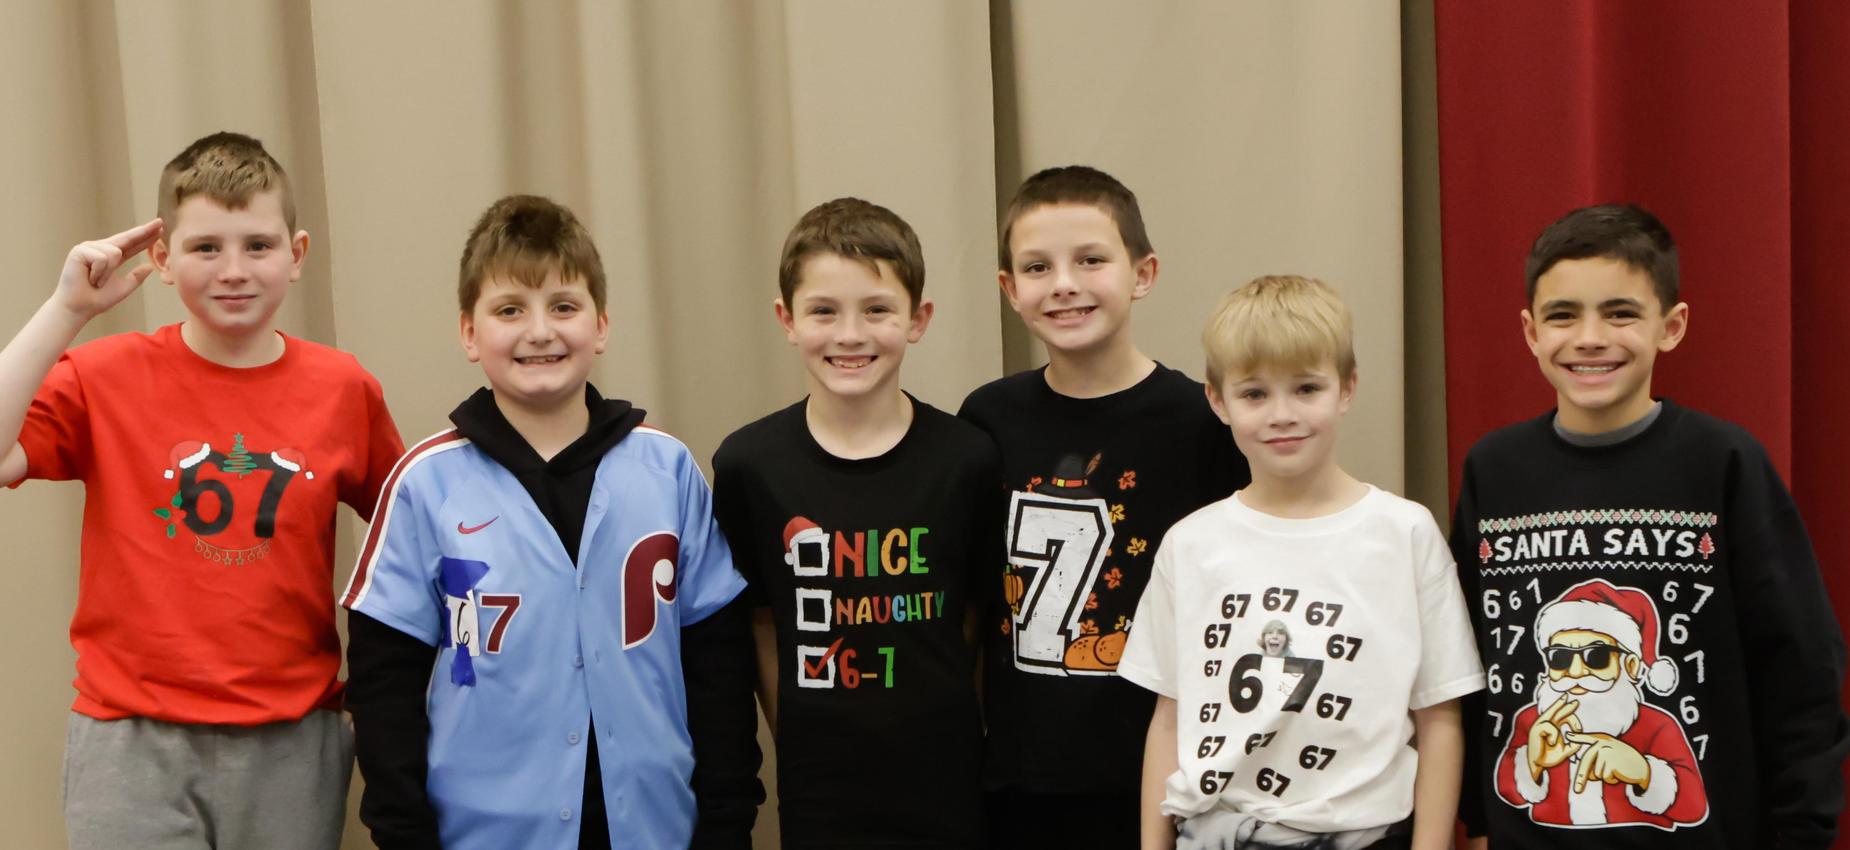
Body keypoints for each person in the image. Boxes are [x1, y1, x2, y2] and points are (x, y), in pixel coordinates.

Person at [0, 131, 404, 849]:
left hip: (291, 741)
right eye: (205, 248)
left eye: (258, 245)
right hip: (131, 741)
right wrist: (66, 310)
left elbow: (410, 540)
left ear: (297, 254)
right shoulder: (104, 376)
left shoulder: (344, 389)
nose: (234, 270)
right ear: (161, 260)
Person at [342, 194, 760, 849]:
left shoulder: (666, 470)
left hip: (656, 828)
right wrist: (403, 832)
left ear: (601, 326)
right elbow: (383, 684)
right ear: (469, 333)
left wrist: (727, 822)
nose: (540, 331)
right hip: (481, 834)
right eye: (510, 309)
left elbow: (718, 669)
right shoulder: (426, 483)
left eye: (563, 306)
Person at [1453, 204, 1849, 848]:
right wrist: (1476, 815)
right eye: (1562, 315)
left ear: (1672, 326)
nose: (1589, 337)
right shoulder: (1494, 470)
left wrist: (1802, 832)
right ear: (1529, 331)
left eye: (1620, 313)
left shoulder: (1724, 462)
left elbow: (1800, 665)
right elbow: (1464, 662)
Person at [1120, 275, 1483, 850]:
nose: (1281, 415)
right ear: (1218, 400)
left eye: (1306, 388)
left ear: (1346, 389)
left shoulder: (1404, 533)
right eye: (1255, 394)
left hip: (1364, 835)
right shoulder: (1191, 544)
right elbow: (1169, 716)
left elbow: (1441, 719)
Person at [959, 165, 1248, 847]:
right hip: (1019, 777)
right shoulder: (987, 419)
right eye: (1037, 267)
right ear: (1009, 289)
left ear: (1142, 273)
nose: (1064, 283)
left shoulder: (1200, 421)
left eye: (1091, 260)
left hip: (1163, 771)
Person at [712, 197, 998, 849]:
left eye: (876, 310)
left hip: (947, 783)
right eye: (824, 311)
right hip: (821, 788)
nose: (849, 335)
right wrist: (803, 734)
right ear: (787, 319)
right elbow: (759, 620)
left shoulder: (967, 457)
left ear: (917, 318)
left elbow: (975, 616)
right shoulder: (749, 464)